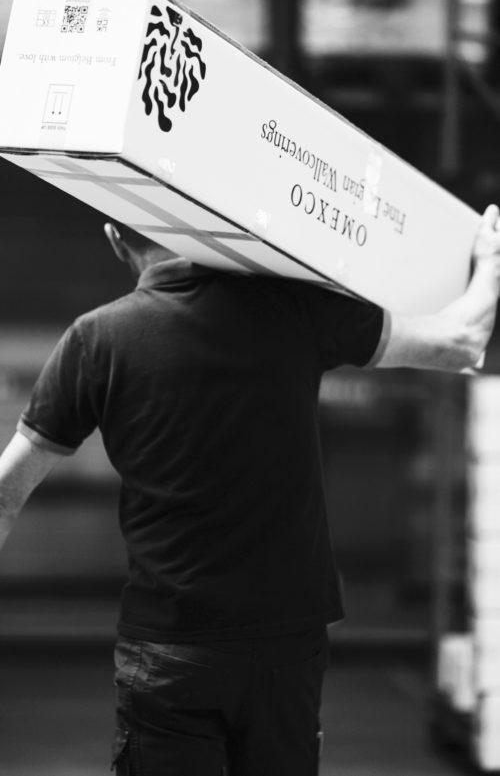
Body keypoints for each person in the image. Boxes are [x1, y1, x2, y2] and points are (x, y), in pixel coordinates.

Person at [1, 204, 500, 776]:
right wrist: (488, 260)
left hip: (169, 650)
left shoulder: (95, 339)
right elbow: (462, 341)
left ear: (116, 239)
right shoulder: (293, 308)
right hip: (287, 648)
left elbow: (5, 493)